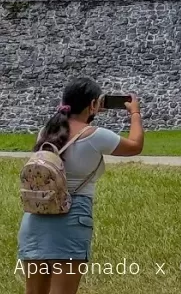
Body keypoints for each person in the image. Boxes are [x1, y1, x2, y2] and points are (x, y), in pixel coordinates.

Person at [17, 77, 144, 294]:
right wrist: (135, 113)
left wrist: (90, 111)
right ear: (93, 104)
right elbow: (135, 145)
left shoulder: (45, 132)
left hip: (36, 218)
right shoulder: (96, 136)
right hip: (72, 217)